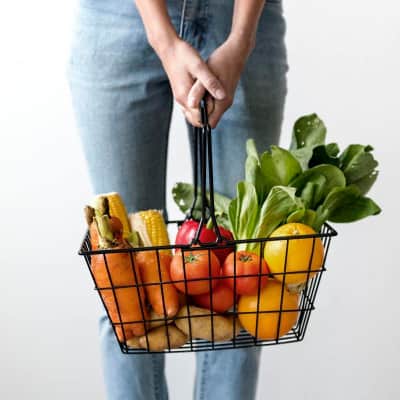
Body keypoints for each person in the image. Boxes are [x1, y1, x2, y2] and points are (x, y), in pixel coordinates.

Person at [68, 0, 288, 399]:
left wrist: (241, 39)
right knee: (124, 286)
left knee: (243, 280)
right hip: (119, 17)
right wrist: (162, 37)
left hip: (241, 17)